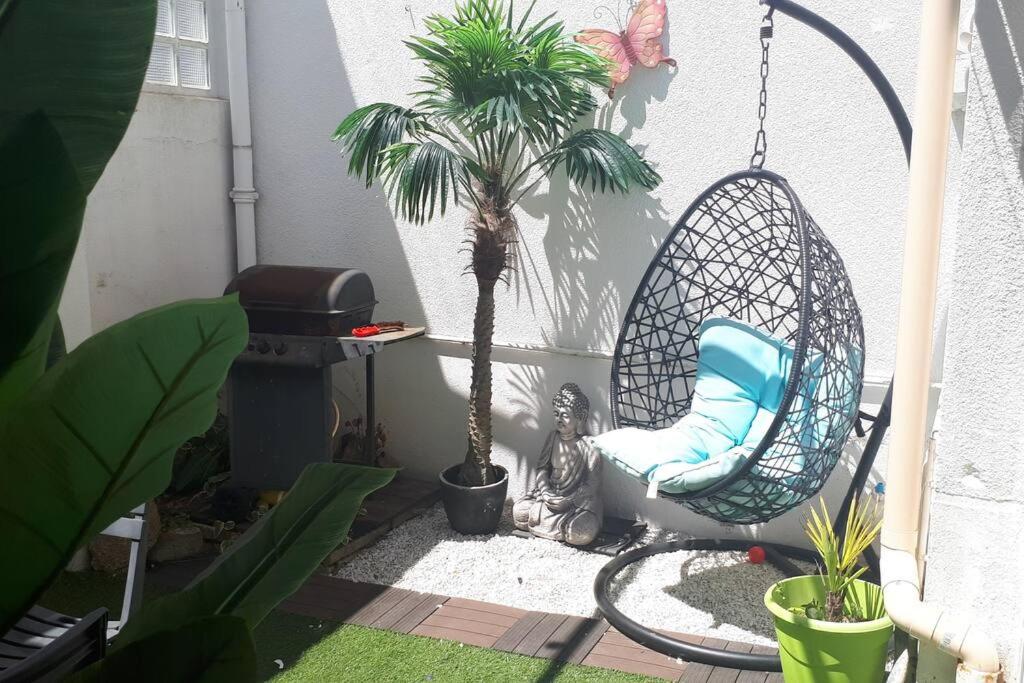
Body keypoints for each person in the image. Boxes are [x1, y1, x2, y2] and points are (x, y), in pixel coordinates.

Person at [512, 383, 603, 545]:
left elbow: (593, 484)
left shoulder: (589, 445)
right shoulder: (552, 437)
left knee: (580, 532)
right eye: (556, 414)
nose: (559, 419)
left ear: (580, 417)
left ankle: (568, 525)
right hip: (549, 497)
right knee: (519, 513)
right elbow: (542, 470)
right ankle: (554, 523)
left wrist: (570, 499)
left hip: (576, 502)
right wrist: (546, 492)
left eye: (565, 415)